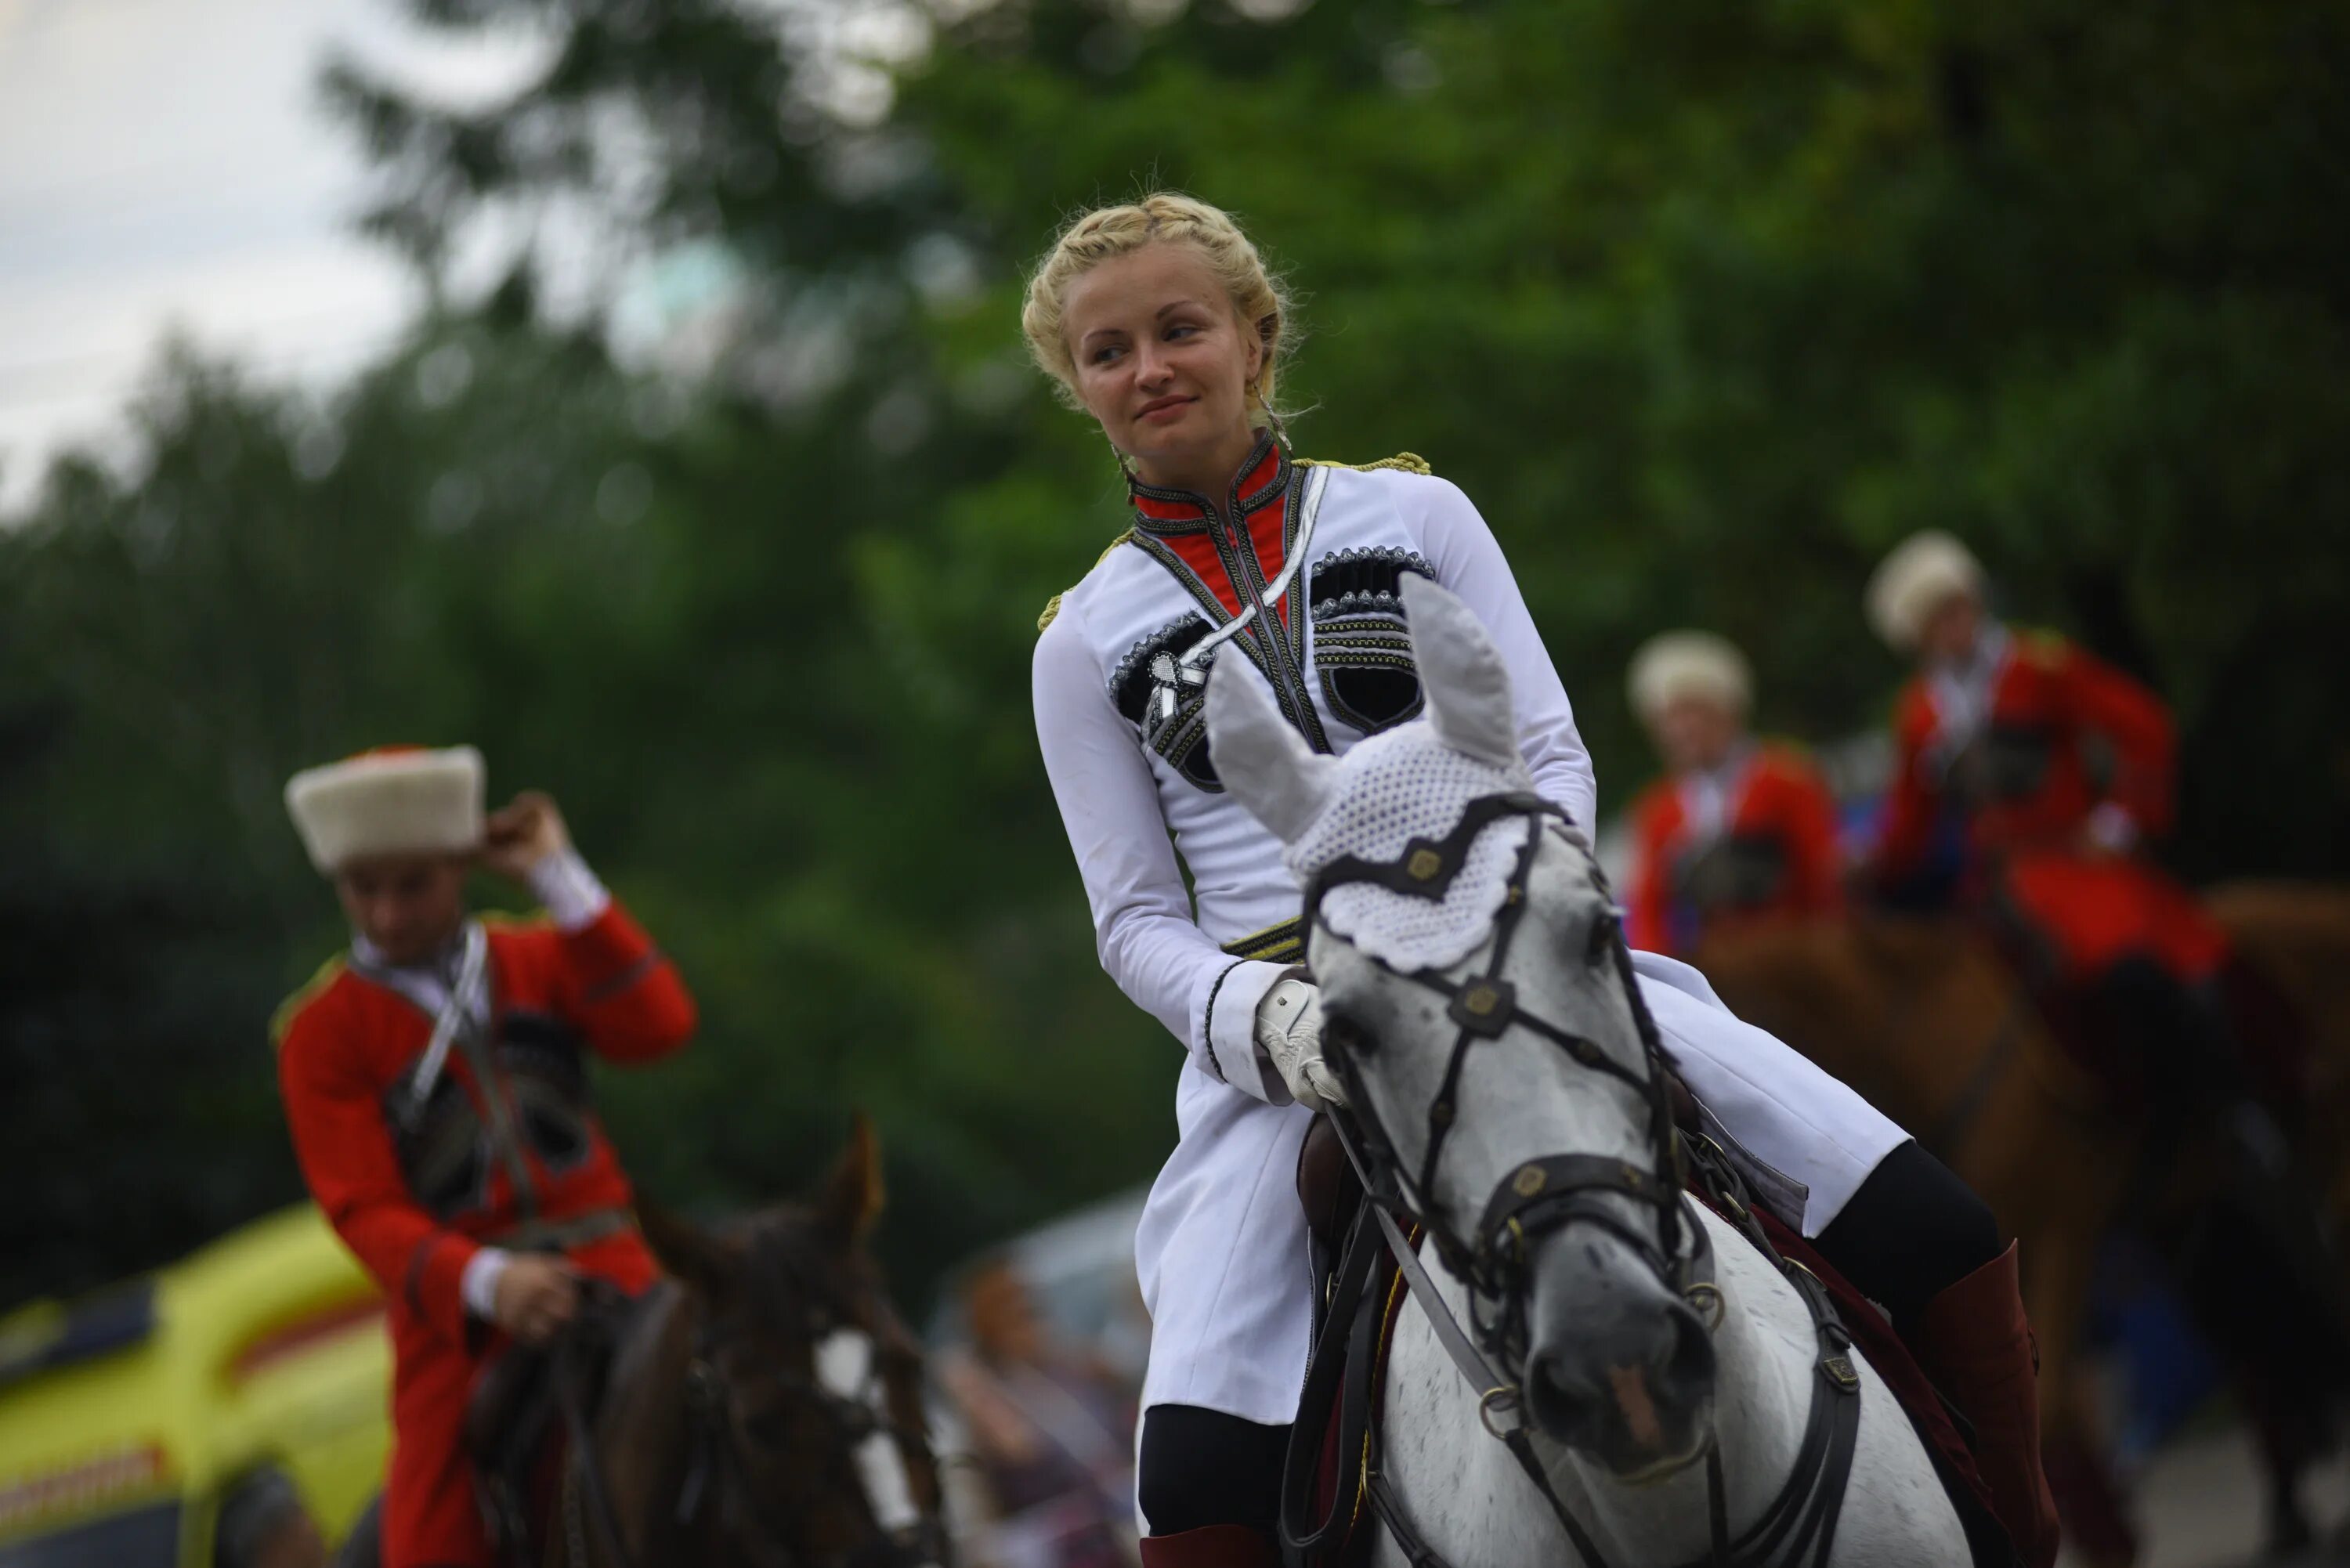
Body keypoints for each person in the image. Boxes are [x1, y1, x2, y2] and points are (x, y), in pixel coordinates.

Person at [1024, 193, 2059, 1567]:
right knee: (1194, 1471)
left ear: (1256, 340)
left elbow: (1551, 749)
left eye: (1178, 328)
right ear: (1079, 389)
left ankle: (2021, 1530)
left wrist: (1520, 919)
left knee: (1933, 1217)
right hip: (1292, 1036)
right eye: (1108, 352)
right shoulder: (1079, 642)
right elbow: (1136, 922)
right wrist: (1271, 1026)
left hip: (1525, 963)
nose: (1148, 367)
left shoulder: (1416, 509)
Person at [272, 745, 696, 1568]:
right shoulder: (320, 1032)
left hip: (619, 1265)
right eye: (365, 890)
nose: (388, 916)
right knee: (432, 1541)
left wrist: (557, 875)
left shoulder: (539, 956)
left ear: (461, 866)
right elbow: (360, 1207)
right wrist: (488, 1282)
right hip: (462, 1322)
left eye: (414, 885)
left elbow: (660, 1024)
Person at [1862, 531, 2253, 1102]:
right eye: (1936, 617)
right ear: (1915, 637)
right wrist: (1863, 869)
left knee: (2129, 968)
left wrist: (2121, 821)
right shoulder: (1920, 713)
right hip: (1992, 888)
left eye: (1958, 605)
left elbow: (2143, 726)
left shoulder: (2039, 665)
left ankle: (2219, 1106)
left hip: (2074, 867)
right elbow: (1909, 825)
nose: (1955, 623)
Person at [1622, 630, 1843, 959]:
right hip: (1717, 970)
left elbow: (1823, 877)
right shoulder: (1657, 810)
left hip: (1797, 958)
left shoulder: (1787, 777)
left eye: (1693, 712)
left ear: (1728, 711)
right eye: (1669, 718)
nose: (1682, 729)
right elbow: (1649, 909)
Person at [938, 1259, 1138, 1568]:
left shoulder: (1069, 1369)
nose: (1029, 1318)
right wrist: (971, 1382)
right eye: (1013, 1311)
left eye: (1029, 1305)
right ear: (987, 1326)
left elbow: (1127, 1388)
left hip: (1123, 1513)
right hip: (1072, 1543)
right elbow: (1021, 1448)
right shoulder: (988, 1393)